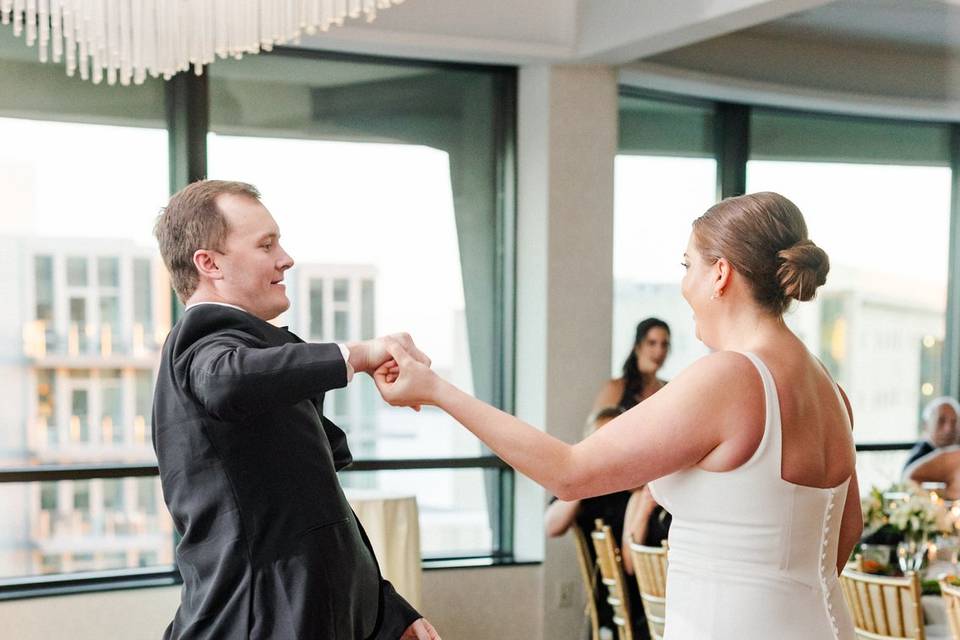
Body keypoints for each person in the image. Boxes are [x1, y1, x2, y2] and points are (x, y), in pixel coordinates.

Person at [375, 192, 860, 640]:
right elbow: (846, 530)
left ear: (721, 274)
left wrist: (437, 390)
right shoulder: (831, 392)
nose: (684, 283)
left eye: (687, 264)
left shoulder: (731, 377)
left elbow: (569, 473)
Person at [151, 180, 440, 640]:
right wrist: (357, 355)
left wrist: (388, 609)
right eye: (266, 245)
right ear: (208, 263)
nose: (286, 258)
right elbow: (225, 381)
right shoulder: (203, 340)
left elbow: (317, 513)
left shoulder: (258, 357)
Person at [544, 406, 649, 639]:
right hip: (611, 595)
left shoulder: (635, 485)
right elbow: (552, 526)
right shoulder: (581, 488)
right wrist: (584, 478)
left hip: (642, 585)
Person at [592, 317, 670, 413]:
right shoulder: (616, 388)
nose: (659, 351)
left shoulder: (669, 389)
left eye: (664, 344)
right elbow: (597, 426)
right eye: (651, 343)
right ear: (637, 347)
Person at [903, 396, 960, 469]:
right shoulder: (917, 462)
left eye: (954, 422)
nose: (948, 429)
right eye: (941, 421)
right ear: (926, 425)